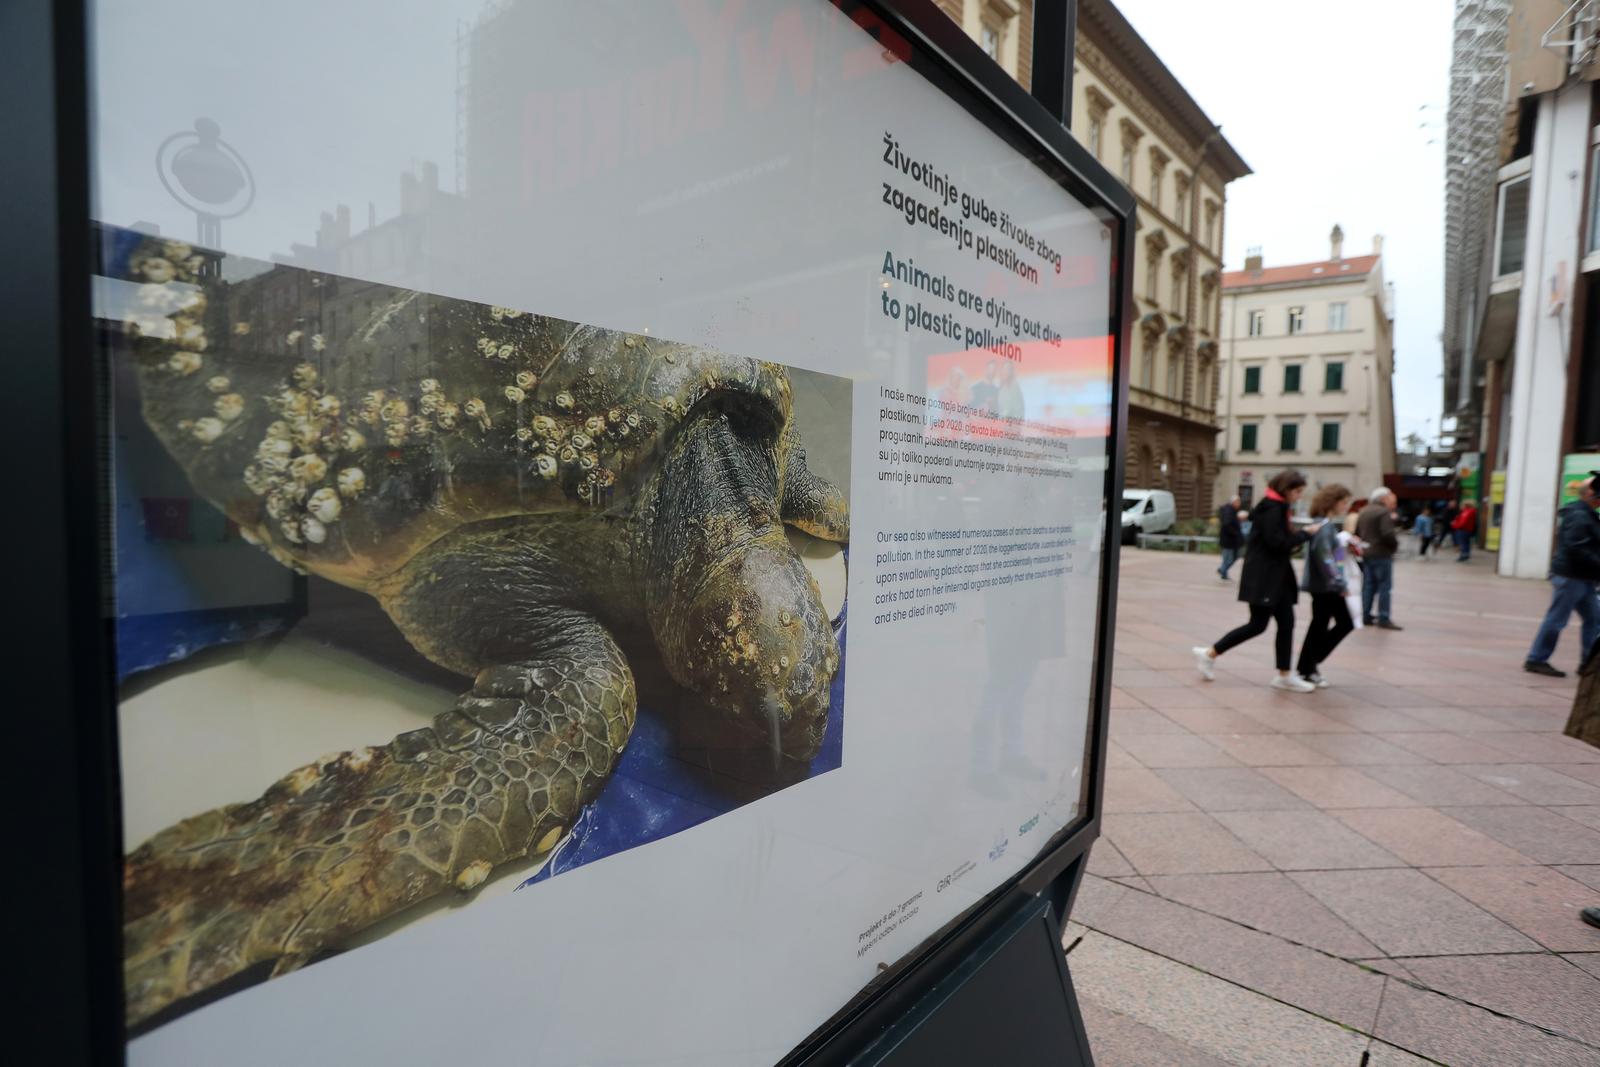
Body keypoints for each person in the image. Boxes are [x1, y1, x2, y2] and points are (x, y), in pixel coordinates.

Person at [1193, 469, 1322, 692]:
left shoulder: (1274, 506)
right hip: (1266, 577)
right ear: (1287, 489)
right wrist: (1306, 534)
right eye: (1298, 491)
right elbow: (1277, 543)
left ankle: (1284, 675)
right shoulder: (1273, 509)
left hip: (1274, 577)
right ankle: (1210, 653)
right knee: (1258, 625)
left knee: (1286, 623)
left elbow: (1276, 540)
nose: (1299, 496)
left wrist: (1298, 535)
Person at [1524, 474, 1600, 677]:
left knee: (1594, 619)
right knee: (1557, 619)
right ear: (1590, 494)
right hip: (1571, 577)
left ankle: (1589, 663)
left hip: (1583, 577)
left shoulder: (1587, 514)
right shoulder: (1580, 516)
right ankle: (1536, 659)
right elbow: (1577, 548)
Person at [1296, 484, 1356, 687]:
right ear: (1333, 502)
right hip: (1325, 586)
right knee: (1333, 623)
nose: (1346, 506)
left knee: (1323, 624)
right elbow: (1325, 559)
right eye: (1344, 502)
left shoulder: (1327, 525)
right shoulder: (1324, 527)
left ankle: (1308, 665)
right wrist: (1340, 583)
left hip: (1325, 585)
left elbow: (1332, 556)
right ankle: (1308, 666)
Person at [1355, 488, 1403, 630]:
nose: (1393, 501)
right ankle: (1383, 617)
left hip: (1367, 553)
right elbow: (1387, 533)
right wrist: (1394, 546)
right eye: (1390, 498)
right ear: (1382, 498)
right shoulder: (1383, 512)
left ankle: (1365, 615)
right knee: (1384, 587)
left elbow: (1357, 532)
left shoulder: (1364, 511)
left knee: (1368, 586)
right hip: (1381, 553)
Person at [1217, 496, 1246, 582]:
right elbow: (1227, 525)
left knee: (1230, 558)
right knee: (1229, 559)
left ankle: (1223, 572)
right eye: (1238, 502)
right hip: (1228, 540)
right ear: (1234, 502)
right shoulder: (1229, 511)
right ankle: (1223, 570)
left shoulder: (1231, 510)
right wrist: (1235, 533)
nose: (1239, 504)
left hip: (1231, 540)